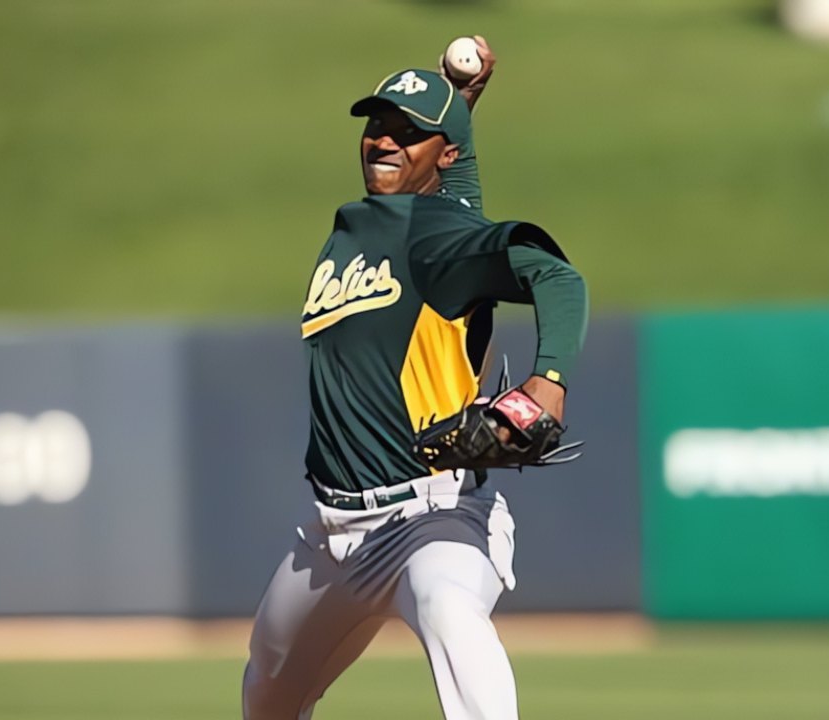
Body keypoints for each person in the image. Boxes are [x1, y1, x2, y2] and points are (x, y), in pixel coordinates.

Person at [242, 38, 589, 720]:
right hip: (331, 534)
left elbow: (557, 276)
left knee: (447, 609)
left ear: (442, 154)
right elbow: (455, 193)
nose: (385, 141)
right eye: (379, 126)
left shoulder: (440, 238)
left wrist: (549, 380)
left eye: (409, 133)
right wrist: (454, 112)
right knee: (268, 690)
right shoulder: (379, 221)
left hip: (431, 518)